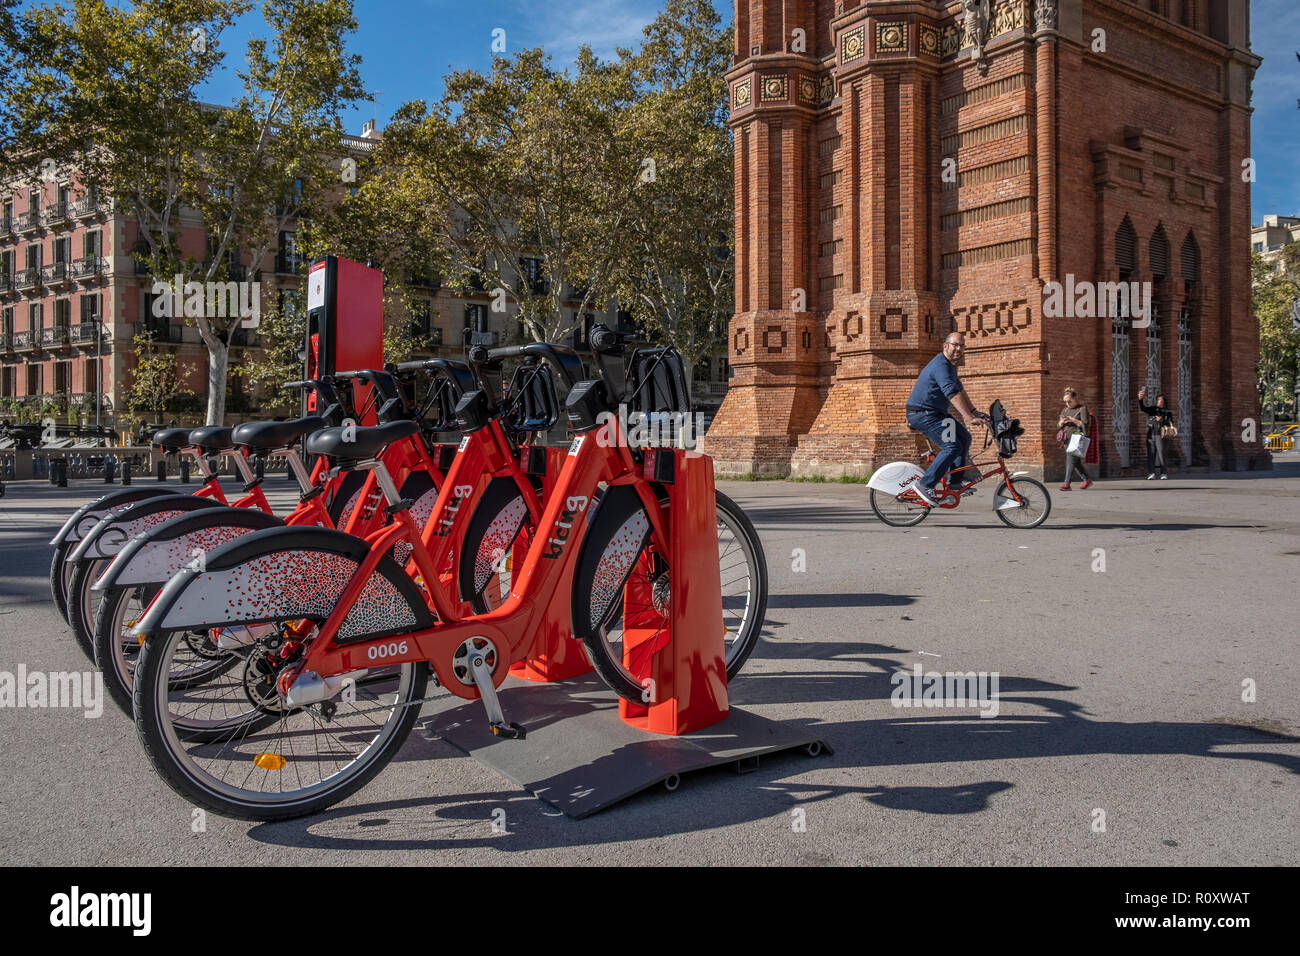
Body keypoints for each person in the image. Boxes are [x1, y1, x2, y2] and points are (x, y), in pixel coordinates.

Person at [904, 332, 989, 507]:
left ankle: (955, 483)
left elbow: (960, 390)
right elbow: (952, 394)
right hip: (922, 414)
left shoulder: (950, 366)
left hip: (936, 414)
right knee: (952, 446)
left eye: (961, 346)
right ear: (945, 346)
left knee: (964, 438)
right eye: (955, 345)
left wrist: (974, 411)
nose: (958, 349)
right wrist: (968, 417)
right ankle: (924, 484)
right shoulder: (941, 366)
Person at [1058, 387, 1093, 491]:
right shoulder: (1065, 410)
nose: (1067, 404)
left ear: (1074, 399)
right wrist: (1061, 423)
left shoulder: (1082, 409)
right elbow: (1058, 425)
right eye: (1065, 402)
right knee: (1075, 462)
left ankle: (1067, 483)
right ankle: (1086, 479)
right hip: (1066, 438)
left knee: (1070, 460)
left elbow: (1085, 423)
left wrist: (1073, 420)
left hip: (1077, 438)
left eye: (1069, 401)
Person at [1137, 386, 1173, 479]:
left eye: (1161, 400)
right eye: (1158, 400)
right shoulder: (1153, 409)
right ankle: (1151, 473)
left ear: (1164, 402)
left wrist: (1162, 420)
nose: (1159, 401)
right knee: (1151, 454)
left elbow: (1170, 424)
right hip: (1151, 434)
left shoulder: (1167, 412)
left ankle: (1163, 473)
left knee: (1161, 454)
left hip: (1161, 435)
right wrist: (1140, 400)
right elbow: (1143, 408)